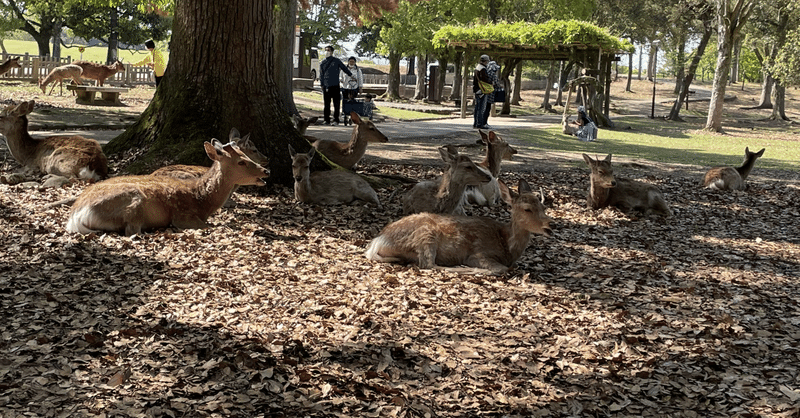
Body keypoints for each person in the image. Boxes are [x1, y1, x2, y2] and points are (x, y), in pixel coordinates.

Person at [320, 45, 352, 126]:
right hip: (326, 86)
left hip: (335, 86)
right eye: (326, 50)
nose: (326, 52)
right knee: (326, 105)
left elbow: (344, 68)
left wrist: (351, 75)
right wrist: (322, 84)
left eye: (328, 50)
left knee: (336, 104)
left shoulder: (336, 61)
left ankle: (336, 120)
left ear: (332, 52)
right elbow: (321, 75)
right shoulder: (323, 62)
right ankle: (326, 119)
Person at [340, 56, 364, 125]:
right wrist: (341, 80)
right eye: (350, 61)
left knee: (352, 102)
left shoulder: (357, 70)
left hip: (354, 87)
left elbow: (360, 79)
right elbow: (340, 76)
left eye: (353, 62)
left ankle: (351, 116)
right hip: (345, 87)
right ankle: (345, 114)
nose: (351, 63)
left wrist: (360, 87)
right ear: (348, 62)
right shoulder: (344, 69)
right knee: (345, 101)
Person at [472, 54, 492, 129]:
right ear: (486, 61)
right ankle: (480, 123)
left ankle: (475, 123)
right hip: (482, 90)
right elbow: (485, 80)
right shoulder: (483, 69)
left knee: (477, 107)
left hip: (476, 90)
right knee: (481, 108)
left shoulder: (477, 68)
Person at [482, 60, 501, 128]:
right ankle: (484, 123)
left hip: (481, 94)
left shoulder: (483, 73)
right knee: (487, 109)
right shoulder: (493, 75)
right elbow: (497, 84)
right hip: (489, 95)